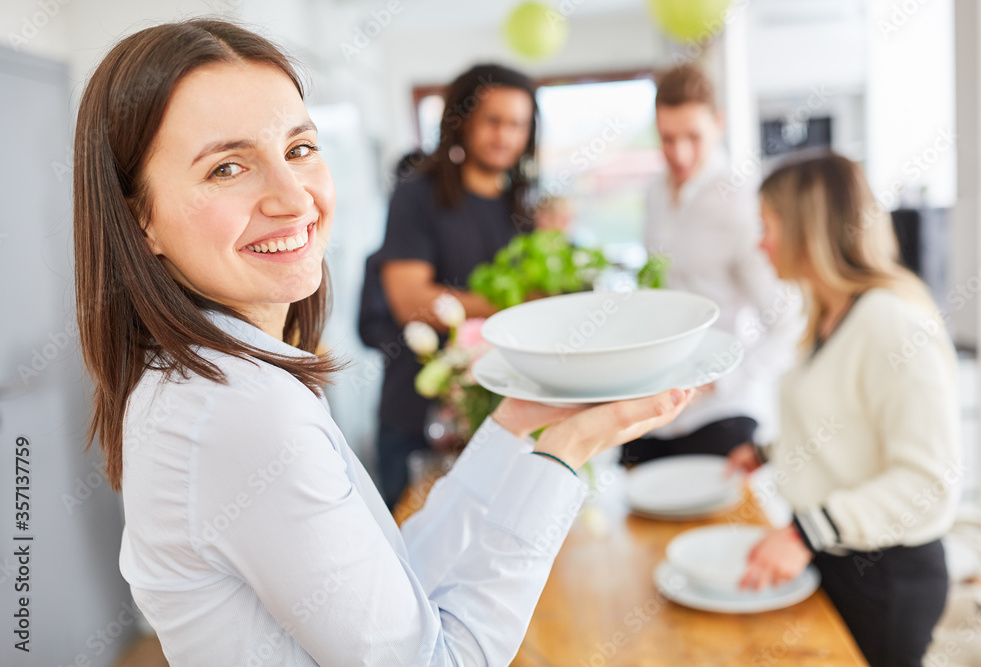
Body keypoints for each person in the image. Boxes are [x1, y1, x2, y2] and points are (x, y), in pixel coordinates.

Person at [73, 19, 694, 664]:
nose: (293, 198)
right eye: (227, 167)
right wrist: (566, 452)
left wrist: (517, 423)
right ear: (139, 216)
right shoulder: (242, 413)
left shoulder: (217, 380)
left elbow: (396, 585)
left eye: (299, 149)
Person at [728, 153, 960, 667]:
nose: (759, 244)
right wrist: (768, 451)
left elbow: (928, 483)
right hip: (837, 557)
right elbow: (846, 421)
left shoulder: (892, 323)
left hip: (886, 577)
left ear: (805, 230)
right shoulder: (832, 314)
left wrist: (806, 531)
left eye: (767, 226)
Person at [367, 64, 540, 509]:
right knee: (412, 556)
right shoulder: (416, 194)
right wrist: (515, 305)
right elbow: (410, 302)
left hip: (496, 415)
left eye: (517, 124)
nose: (505, 136)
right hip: (417, 416)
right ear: (461, 121)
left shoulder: (521, 207)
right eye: (493, 120)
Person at [621, 64, 801, 466]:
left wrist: (722, 381)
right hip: (657, 405)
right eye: (667, 139)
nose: (679, 154)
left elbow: (788, 324)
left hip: (721, 414)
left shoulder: (744, 204)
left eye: (693, 137)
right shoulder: (654, 194)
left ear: (719, 123)